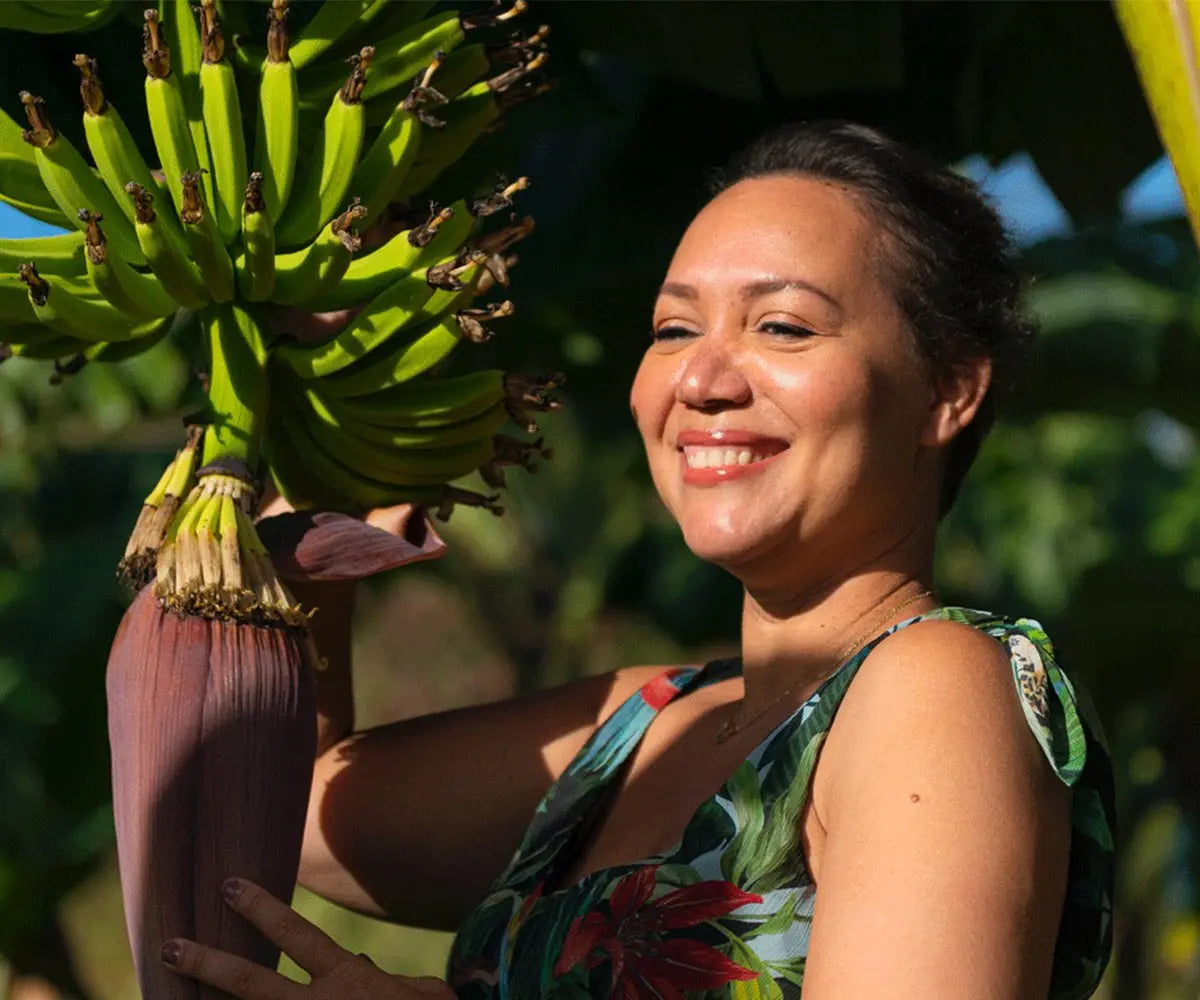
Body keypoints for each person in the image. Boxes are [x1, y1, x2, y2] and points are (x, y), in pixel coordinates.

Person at [158, 121, 1115, 1000]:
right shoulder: (643, 723)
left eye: (781, 325)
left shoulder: (936, 685)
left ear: (949, 391)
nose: (702, 378)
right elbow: (283, 802)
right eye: (673, 329)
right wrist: (312, 430)